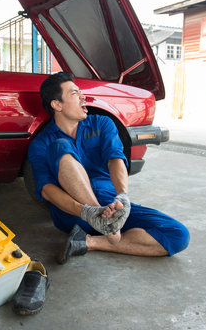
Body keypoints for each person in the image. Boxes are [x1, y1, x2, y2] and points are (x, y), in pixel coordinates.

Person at [28, 72, 190, 264]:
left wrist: (122, 196)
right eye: (74, 93)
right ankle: (103, 221)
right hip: (75, 213)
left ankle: (91, 242)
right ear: (57, 104)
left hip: (111, 206)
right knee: (59, 146)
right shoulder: (41, 143)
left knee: (178, 235)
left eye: (81, 92)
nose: (83, 97)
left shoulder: (102, 123)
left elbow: (116, 158)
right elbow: (46, 190)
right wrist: (89, 212)